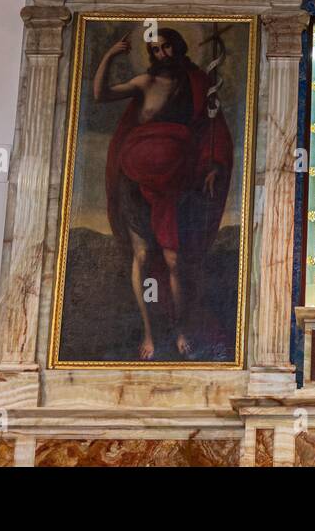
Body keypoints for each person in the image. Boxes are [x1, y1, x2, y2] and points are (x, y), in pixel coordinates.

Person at [92, 27, 232, 360]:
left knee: (174, 259)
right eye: (154, 50)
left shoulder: (198, 85)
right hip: (136, 181)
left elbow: (210, 131)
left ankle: (181, 329)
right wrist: (110, 55)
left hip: (177, 183)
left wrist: (212, 165)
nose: (161, 54)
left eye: (166, 47)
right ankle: (149, 333)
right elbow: (101, 95)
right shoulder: (144, 83)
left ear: (178, 47)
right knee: (142, 255)